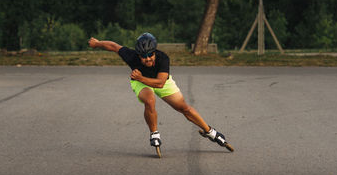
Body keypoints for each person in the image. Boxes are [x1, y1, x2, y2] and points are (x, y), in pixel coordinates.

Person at [88, 33, 232, 152]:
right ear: (138, 54)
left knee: (184, 108)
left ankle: (210, 132)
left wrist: (140, 77)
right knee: (150, 101)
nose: (147, 59)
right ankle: (154, 133)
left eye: (150, 55)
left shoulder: (163, 58)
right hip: (140, 82)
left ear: (155, 52)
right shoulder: (131, 56)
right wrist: (97, 43)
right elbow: (113, 46)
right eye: (143, 56)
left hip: (157, 80)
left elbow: (160, 83)